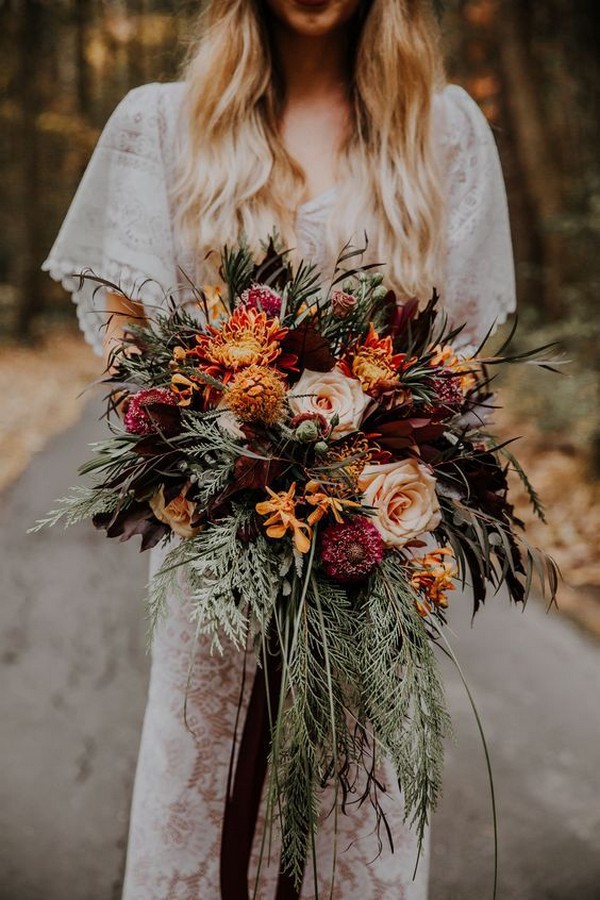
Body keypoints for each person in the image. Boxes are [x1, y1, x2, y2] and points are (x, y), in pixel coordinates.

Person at [43, 1, 516, 896]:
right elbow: (129, 353)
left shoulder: (445, 131)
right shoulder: (159, 123)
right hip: (213, 564)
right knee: (209, 799)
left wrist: (367, 468)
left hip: (374, 566)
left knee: (355, 815)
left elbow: (460, 371)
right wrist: (218, 444)